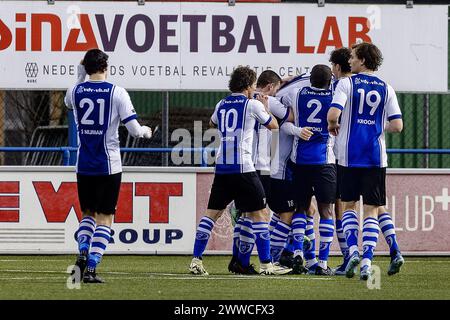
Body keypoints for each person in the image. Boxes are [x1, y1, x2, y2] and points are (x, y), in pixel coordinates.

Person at [188, 66, 290, 276]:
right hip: (244, 168)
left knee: (210, 215)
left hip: (222, 167)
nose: (254, 88)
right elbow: (273, 126)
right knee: (260, 213)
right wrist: (265, 108)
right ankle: (266, 264)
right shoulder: (252, 104)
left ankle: (196, 261)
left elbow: (211, 122)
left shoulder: (222, 103)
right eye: (253, 85)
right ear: (248, 86)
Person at [65, 49, 153, 283]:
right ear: (106, 67)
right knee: (105, 218)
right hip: (108, 165)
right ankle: (91, 268)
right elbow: (134, 130)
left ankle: (82, 251)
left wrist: (80, 73)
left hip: (83, 164)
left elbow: (68, 101)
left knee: (87, 214)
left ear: (86, 67)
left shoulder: (75, 91)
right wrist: (146, 131)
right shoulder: (117, 92)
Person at [327, 42, 403, 280]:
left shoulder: (346, 83)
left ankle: (353, 251)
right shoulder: (386, 88)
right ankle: (368, 261)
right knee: (372, 210)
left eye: (352, 56)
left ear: (362, 60)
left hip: (349, 156)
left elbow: (333, 114)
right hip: (375, 157)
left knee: (348, 206)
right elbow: (398, 126)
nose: (349, 60)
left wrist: (333, 125)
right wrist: (378, 127)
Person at [228, 70, 292, 274]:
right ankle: (256, 262)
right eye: (278, 88)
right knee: (259, 213)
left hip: (245, 162)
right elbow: (284, 119)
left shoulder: (244, 99)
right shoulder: (263, 101)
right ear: (271, 87)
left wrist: (284, 81)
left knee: (249, 213)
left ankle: (238, 259)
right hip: (260, 164)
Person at [280, 65, 336, 275]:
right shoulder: (334, 97)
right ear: (329, 81)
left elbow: (285, 124)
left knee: (301, 209)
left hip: (300, 161)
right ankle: (322, 263)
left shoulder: (297, 93)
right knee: (325, 211)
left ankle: (297, 254)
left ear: (309, 80)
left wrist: (297, 131)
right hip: (324, 163)